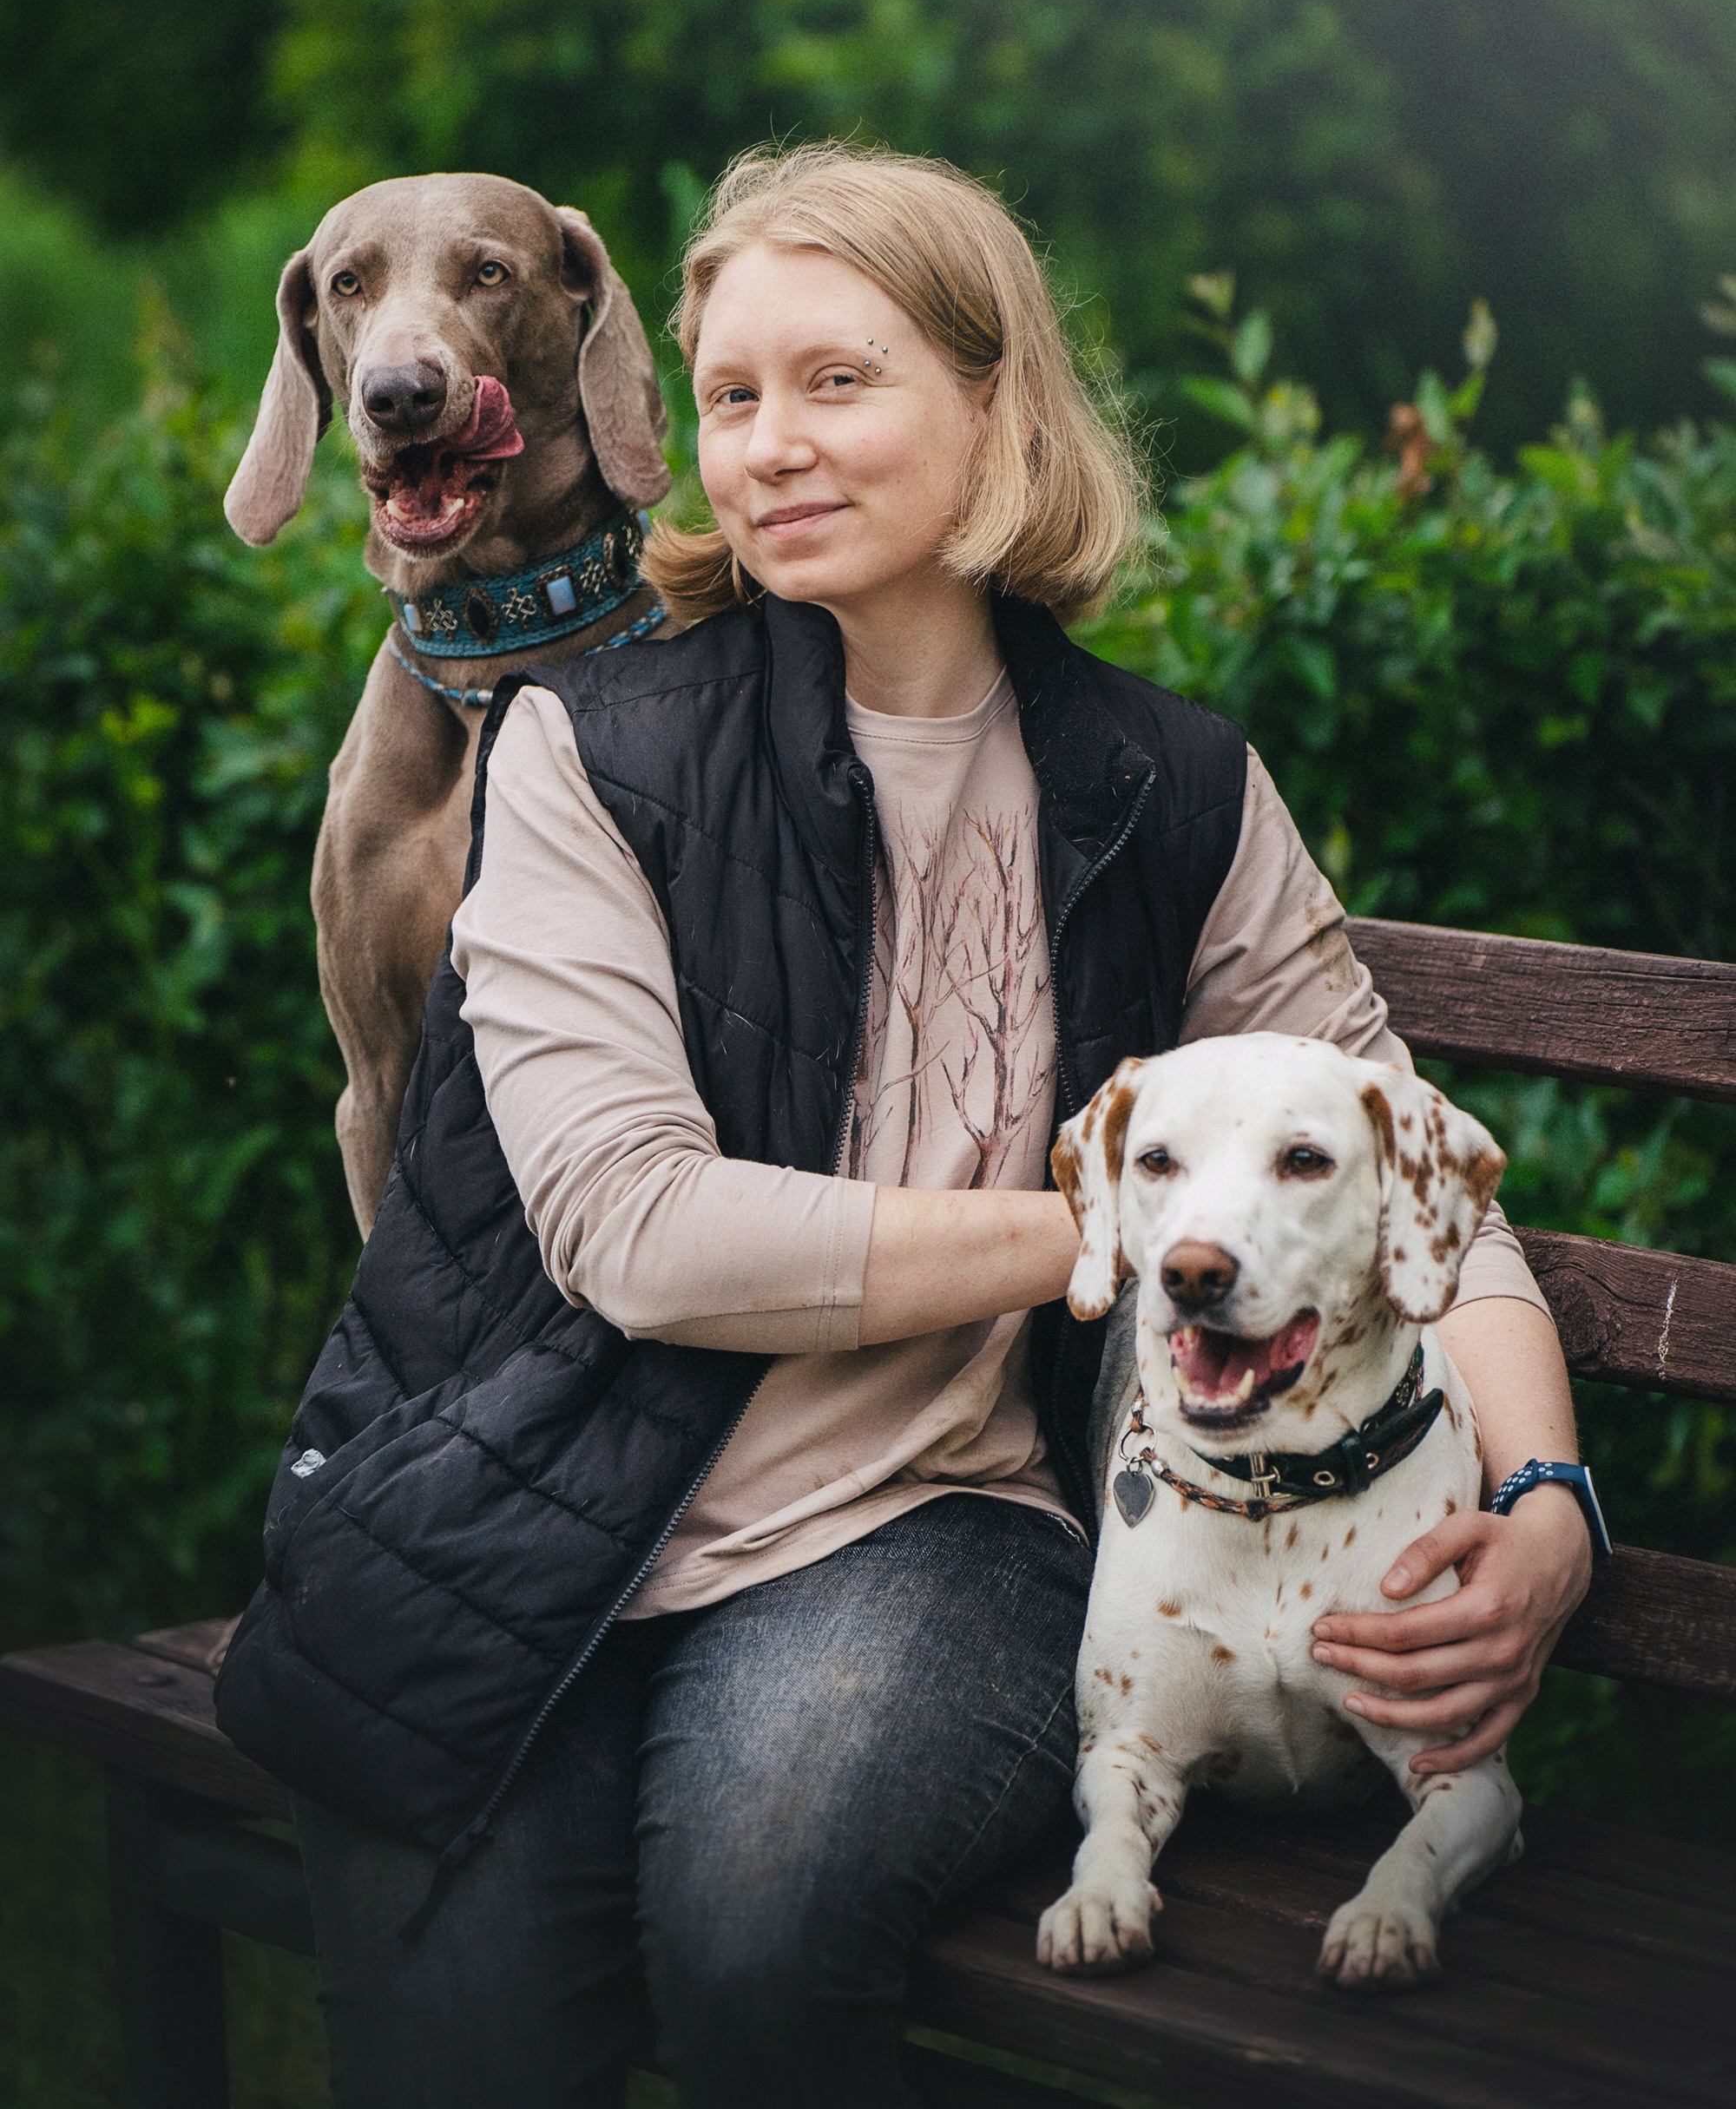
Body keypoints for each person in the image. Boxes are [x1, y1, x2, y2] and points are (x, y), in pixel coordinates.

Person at [268, 146, 1594, 2106]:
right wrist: (1100, 1236)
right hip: (539, 1499)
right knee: (448, 2027)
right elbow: (635, 1230)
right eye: (730, 398)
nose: (771, 446)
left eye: (839, 382)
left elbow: (1427, 1190)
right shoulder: (583, 750)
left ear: (995, 408)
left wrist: (1545, 1516)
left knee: (753, 1920)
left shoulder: (1176, 791)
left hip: (930, 1528)